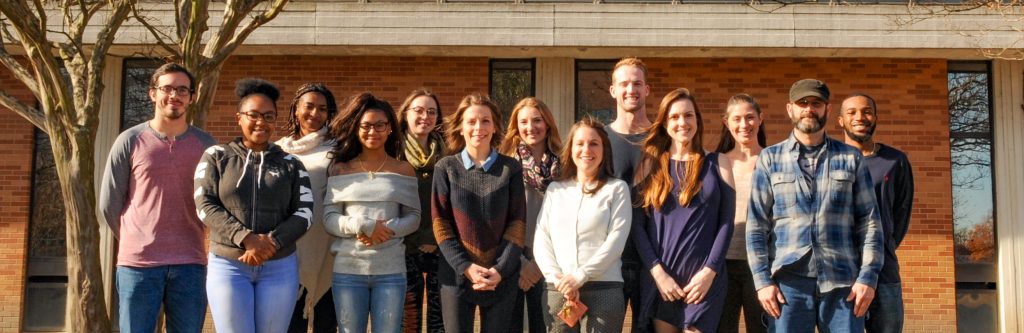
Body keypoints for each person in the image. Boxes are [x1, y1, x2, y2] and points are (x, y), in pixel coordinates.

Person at [746, 79, 883, 333]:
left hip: (843, 284)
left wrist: (868, 277)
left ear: (828, 110)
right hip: (788, 285)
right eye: (802, 103)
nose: (809, 109)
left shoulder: (850, 158)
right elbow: (756, 226)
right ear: (790, 109)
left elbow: (870, 223)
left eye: (816, 103)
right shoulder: (770, 159)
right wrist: (762, 281)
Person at [99, 63, 216, 333]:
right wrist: (135, 238)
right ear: (153, 93)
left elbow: (215, 200)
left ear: (192, 97)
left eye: (182, 90)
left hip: (190, 263)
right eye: (167, 88)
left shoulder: (207, 145)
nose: (174, 95)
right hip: (138, 266)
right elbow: (109, 204)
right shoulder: (129, 140)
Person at [194, 78, 313, 333]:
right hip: (229, 265)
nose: (261, 122)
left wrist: (270, 243)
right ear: (239, 117)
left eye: (269, 116)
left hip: (279, 265)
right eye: (254, 115)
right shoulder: (217, 156)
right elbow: (204, 203)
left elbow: (304, 213)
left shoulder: (292, 164)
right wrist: (246, 238)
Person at [633, 88, 734, 333]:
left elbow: (726, 223)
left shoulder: (719, 163)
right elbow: (637, 226)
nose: (682, 122)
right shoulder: (650, 164)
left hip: (703, 284)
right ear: (665, 123)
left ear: (697, 120)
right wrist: (658, 273)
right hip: (663, 280)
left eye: (688, 115)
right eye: (675, 117)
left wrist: (709, 272)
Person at [323, 92, 421, 333]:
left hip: (390, 272)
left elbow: (414, 218)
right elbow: (329, 220)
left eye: (380, 125)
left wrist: (385, 231)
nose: (373, 131)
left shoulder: (403, 170)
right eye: (366, 125)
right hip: (348, 271)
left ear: (390, 128)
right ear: (356, 128)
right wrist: (363, 225)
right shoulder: (340, 169)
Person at [431, 93, 526, 333]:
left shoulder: (511, 168)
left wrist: (499, 270)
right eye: (471, 121)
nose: (478, 127)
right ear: (461, 127)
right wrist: (466, 266)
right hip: (456, 277)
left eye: (485, 121)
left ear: (495, 127)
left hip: (501, 277)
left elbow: (517, 224)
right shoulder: (446, 168)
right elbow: (440, 224)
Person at [533, 117, 632, 333]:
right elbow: (542, 239)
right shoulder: (555, 190)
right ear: (570, 149)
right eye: (580, 143)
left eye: (594, 143)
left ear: (604, 150)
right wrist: (559, 280)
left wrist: (579, 277)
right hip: (559, 291)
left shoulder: (617, 189)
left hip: (603, 289)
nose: (586, 149)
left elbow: (616, 242)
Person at [838, 93, 915, 333]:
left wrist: (884, 243)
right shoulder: (830, 160)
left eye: (866, 111)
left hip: (884, 271)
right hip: (841, 272)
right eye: (851, 112)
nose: (860, 117)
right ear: (840, 120)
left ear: (876, 117)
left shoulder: (896, 161)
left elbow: (901, 214)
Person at [278, 83, 340, 333]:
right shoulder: (278, 150)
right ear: (295, 110)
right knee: (292, 324)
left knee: (326, 323)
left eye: (322, 109)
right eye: (309, 106)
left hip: (327, 250)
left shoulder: (338, 151)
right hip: (288, 252)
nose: (315, 113)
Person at [499, 97, 563, 333]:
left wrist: (538, 264)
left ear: (547, 124)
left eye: (537, 120)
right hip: (511, 259)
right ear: (516, 127)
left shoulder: (565, 166)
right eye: (523, 121)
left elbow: (568, 220)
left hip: (551, 261)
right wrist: (521, 262)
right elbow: (498, 220)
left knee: (545, 328)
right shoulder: (504, 166)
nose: (530, 127)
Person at [605, 57, 654, 333]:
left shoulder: (663, 138)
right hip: (611, 260)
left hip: (655, 261)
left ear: (647, 89)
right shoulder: (599, 140)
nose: (630, 89)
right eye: (623, 84)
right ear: (613, 90)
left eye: (637, 83)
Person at [714, 94, 768, 333]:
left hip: (762, 265)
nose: (744, 125)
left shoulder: (773, 159)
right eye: (737, 119)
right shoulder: (716, 162)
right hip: (722, 264)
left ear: (760, 119)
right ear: (726, 122)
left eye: (750, 117)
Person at [397, 88, 447, 333]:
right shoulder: (392, 153)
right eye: (418, 110)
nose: (424, 116)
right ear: (405, 114)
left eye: (431, 112)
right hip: (403, 248)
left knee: (439, 322)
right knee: (409, 321)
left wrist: (435, 239)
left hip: (440, 248)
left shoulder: (447, 155)